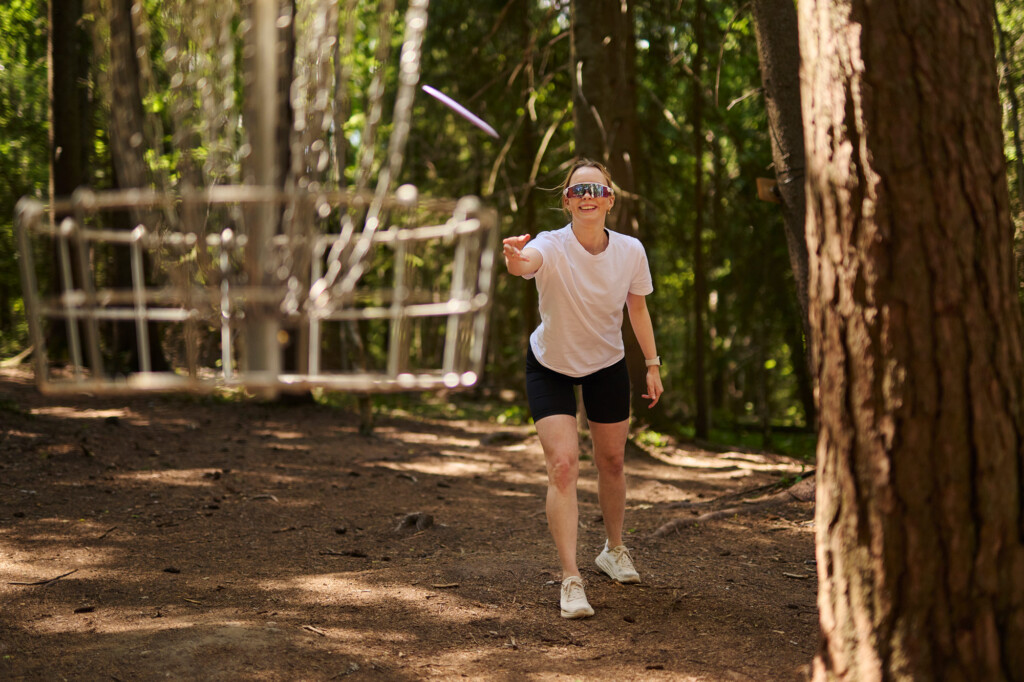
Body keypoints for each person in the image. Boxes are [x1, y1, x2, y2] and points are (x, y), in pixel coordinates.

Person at [502, 159, 664, 619]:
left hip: (606, 364)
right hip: (550, 364)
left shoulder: (631, 251)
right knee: (563, 467)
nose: (587, 196)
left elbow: (638, 310)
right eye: (577, 191)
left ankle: (614, 549)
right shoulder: (552, 245)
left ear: (610, 198)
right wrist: (515, 257)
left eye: (596, 189)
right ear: (567, 201)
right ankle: (571, 578)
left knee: (611, 461)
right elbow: (524, 265)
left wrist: (652, 364)